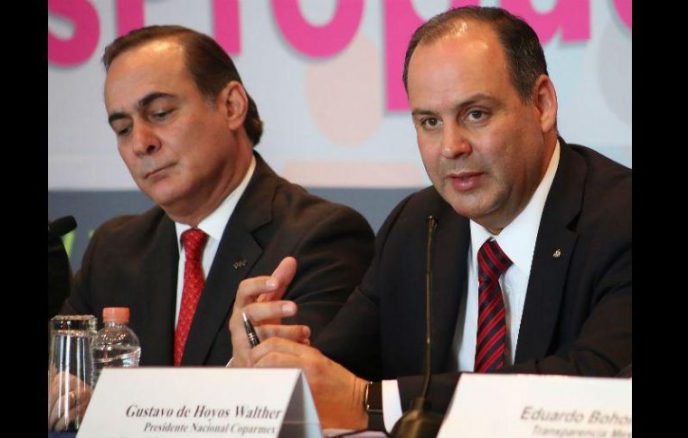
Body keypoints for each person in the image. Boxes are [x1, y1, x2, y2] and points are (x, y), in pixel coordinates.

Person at [228, 6, 632, 431]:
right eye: (430, 122)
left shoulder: (619, 219)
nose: (451, 146)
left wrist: (370, 402)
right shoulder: (418, 225)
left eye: (475, 114)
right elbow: (334, 371)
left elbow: (593, 384)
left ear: (542, 104)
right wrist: (269, 363)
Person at [60, 25, 375, 367]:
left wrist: (241, 368)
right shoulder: (113, 252)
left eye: (161, 113)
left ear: (231, 106)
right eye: (123, 129)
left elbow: (311, 385)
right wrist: (68, 385)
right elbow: (66, 375)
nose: (140, 143)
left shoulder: (321, 239)